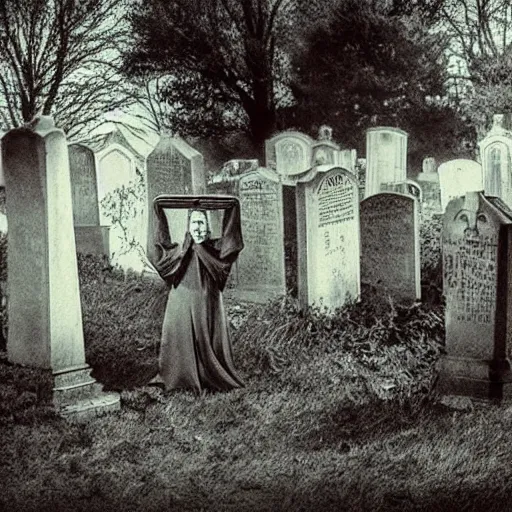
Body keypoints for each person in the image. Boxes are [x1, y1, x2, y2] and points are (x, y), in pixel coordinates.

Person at [148, 197, 245, 394]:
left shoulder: (215, 252)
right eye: (194, 223)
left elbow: (231, 242)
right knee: (180, 330)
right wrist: (157, 206)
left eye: (202, 223)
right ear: (188, 226)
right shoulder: (178, 253)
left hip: (207, 300)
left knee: (205, 329)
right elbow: (158, 250)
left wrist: (233, 206)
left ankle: (208, 372)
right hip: (181, 299)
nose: (198, 228)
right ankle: (180, 375)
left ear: (208, 227)